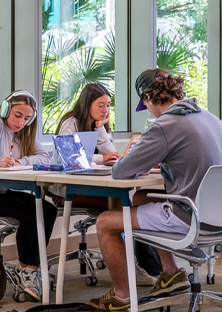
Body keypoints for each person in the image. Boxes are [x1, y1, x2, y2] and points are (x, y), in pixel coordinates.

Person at [89, 68, 222, 311]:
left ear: (148, 97)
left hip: (190, 216)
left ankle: (122, 297)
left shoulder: (166, 124)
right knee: (143, 196)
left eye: (146, 106)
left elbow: (120, 171)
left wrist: (143, 158)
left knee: (105, 222)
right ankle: (171, 273)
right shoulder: (211, 118)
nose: (149, 112)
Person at [51, 82, 157, 286]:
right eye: (100, 105)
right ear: (87, 104)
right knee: (121, 201)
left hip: (95, 187)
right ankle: (129, 267)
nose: (105, 110)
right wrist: (102, 158)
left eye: (108, 105)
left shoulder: (101, 126)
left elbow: (114, 155)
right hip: (66, 189)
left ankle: (129, 263)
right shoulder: (70, 122)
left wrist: (100, 130)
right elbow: (71, 160)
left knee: (125, 200)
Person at [0, 90, 57, 302]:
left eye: (27, 118)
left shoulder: (24, 131)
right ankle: (27, 272)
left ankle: (28, 269)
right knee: (30, 214)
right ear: (6, 110)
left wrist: (20, 162)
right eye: (17, 115)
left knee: (48, 209)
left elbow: (44, 156)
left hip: (2, 193)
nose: (21, 122)